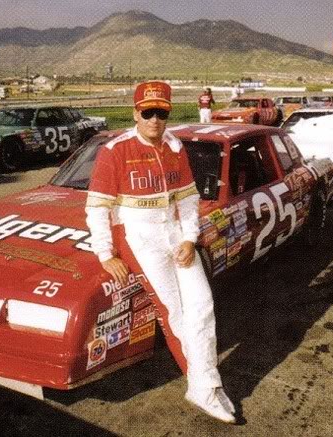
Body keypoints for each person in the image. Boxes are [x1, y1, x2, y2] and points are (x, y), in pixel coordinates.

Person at [85, 80, 236, 424]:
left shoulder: (175, 146)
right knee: (177, 314)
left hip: (175, 237)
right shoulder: (115, 150)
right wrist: (106, 254)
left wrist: (188, 238)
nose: (154, 119)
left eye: (161, 112)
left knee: (203, 306)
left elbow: (188, 199)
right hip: (140, 240)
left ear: (168, 113)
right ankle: (205, 386)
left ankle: (206, 383)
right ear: (135, 113)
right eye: (147, 112)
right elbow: (97, 208)